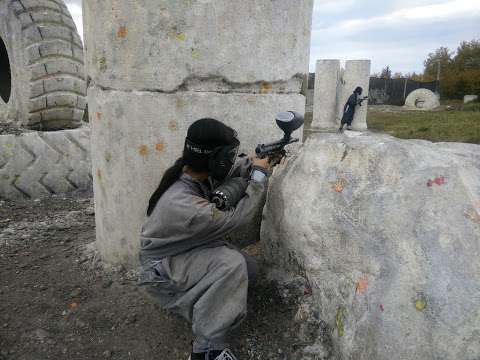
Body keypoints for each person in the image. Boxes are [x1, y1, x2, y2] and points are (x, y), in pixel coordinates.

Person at [137, 118, 275, 360]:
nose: (231, 160)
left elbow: (230, 174)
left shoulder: (193, 173)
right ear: (215, 160)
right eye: (228, 155)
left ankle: (203, 305)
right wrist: (259, 176)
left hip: (180, 255)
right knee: (230, 265)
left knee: (249, 270)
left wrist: (252, 162)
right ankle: (207, 348)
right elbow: (238, 217)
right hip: (160, 274)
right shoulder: (185, 205)